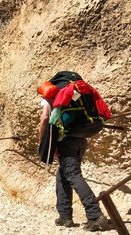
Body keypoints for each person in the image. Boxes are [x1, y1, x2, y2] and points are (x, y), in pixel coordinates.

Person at [39, 96, 107, 232]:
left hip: (66, 141)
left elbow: (45, 117)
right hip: (81, 140)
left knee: (73, 174)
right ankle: (64, 216)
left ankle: (95, 215)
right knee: (63, 175)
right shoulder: (77, 95)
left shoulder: (49, 96)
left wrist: (42, 140)